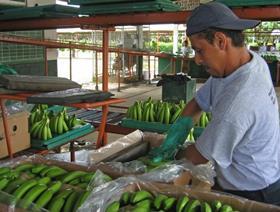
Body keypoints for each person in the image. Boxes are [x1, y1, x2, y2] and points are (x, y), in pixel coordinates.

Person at [150, 2, 280, 205]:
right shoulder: (245, 63)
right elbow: (197, 103)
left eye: (200, 50)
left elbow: (199, 156)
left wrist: (170, 156)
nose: (197, 60)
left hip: (253, 189)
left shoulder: (239, 100)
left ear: (221, 41)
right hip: (251, 171)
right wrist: (174, 137)